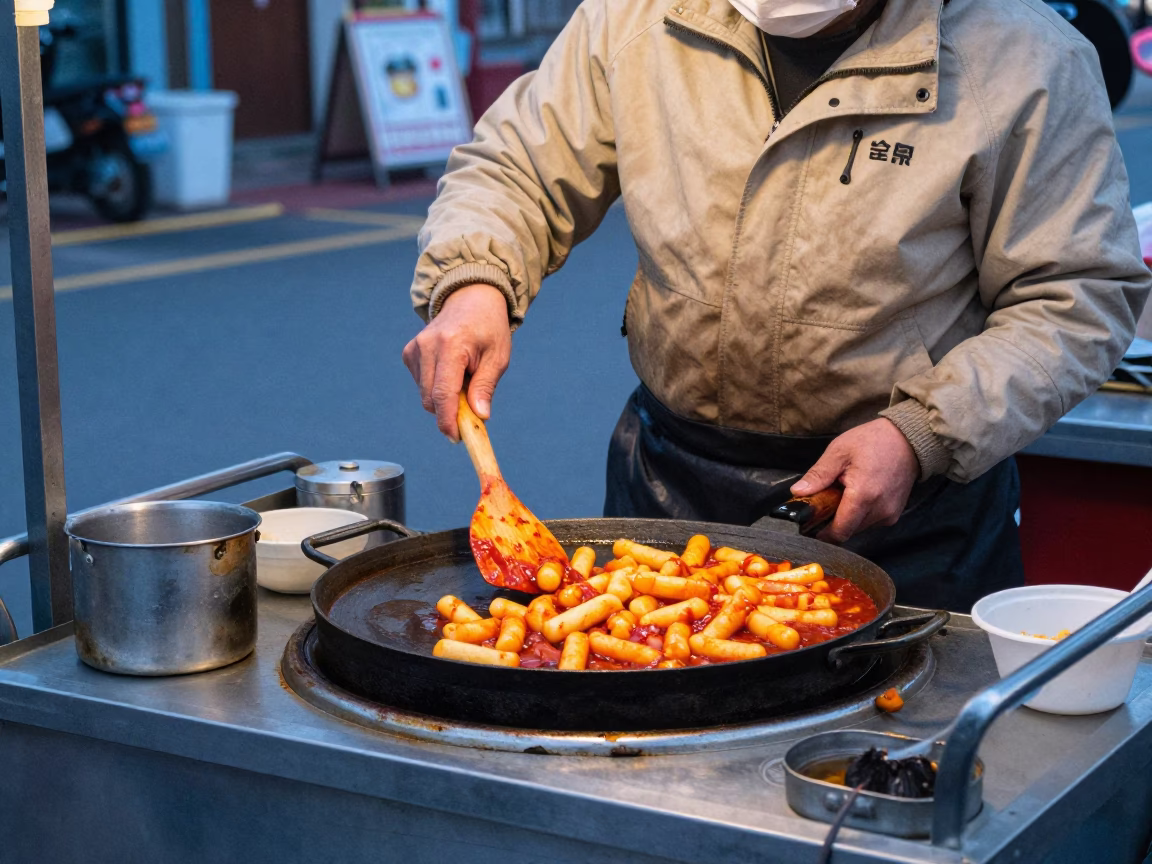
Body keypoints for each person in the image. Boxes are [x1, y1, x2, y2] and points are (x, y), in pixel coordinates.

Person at [403, 0, 1152, 610]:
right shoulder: (638, 17)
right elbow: (517, 167)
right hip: (666, 492)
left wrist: (922, 432)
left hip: (909, 516)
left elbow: (1074, 294)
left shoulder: (1023, 59)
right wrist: (474, 282)